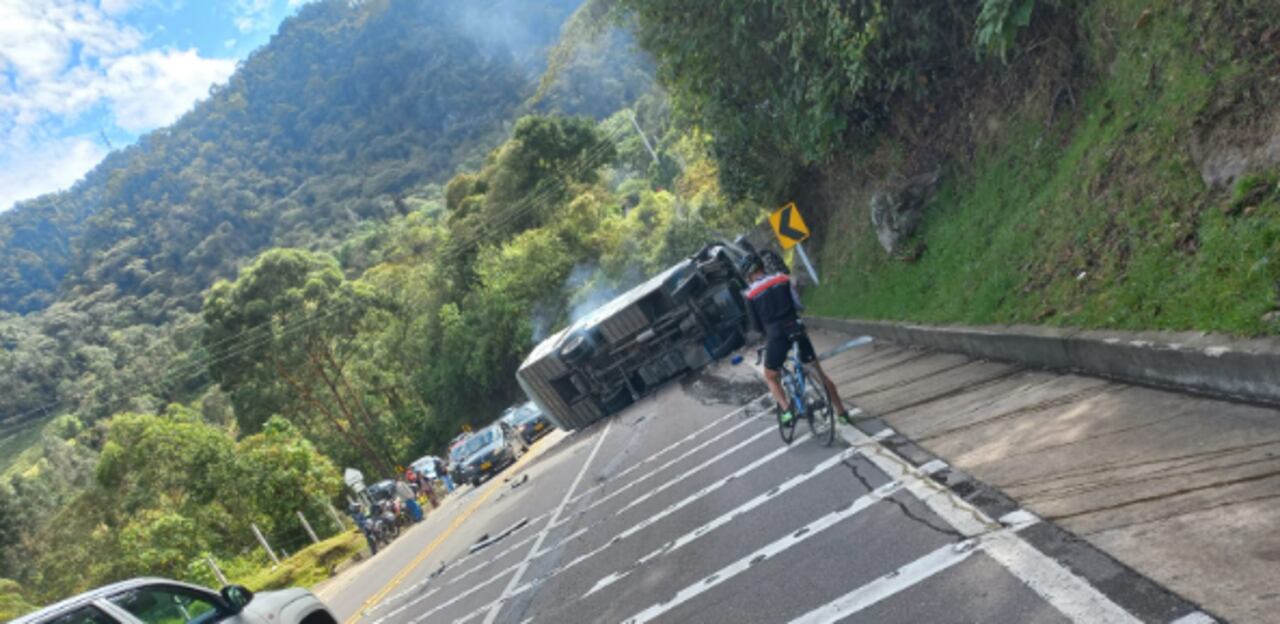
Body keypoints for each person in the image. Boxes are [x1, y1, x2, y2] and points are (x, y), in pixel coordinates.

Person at [739, 253, 849, 427]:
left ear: (748, 276)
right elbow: (798, 305)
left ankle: (786, 410)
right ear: (762, 267)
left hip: (776, 336)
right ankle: (842, 412)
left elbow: (757, 327)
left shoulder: (751, 295)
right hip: (796, 328)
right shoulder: (782, 279)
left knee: (770, 376)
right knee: (819, 373)